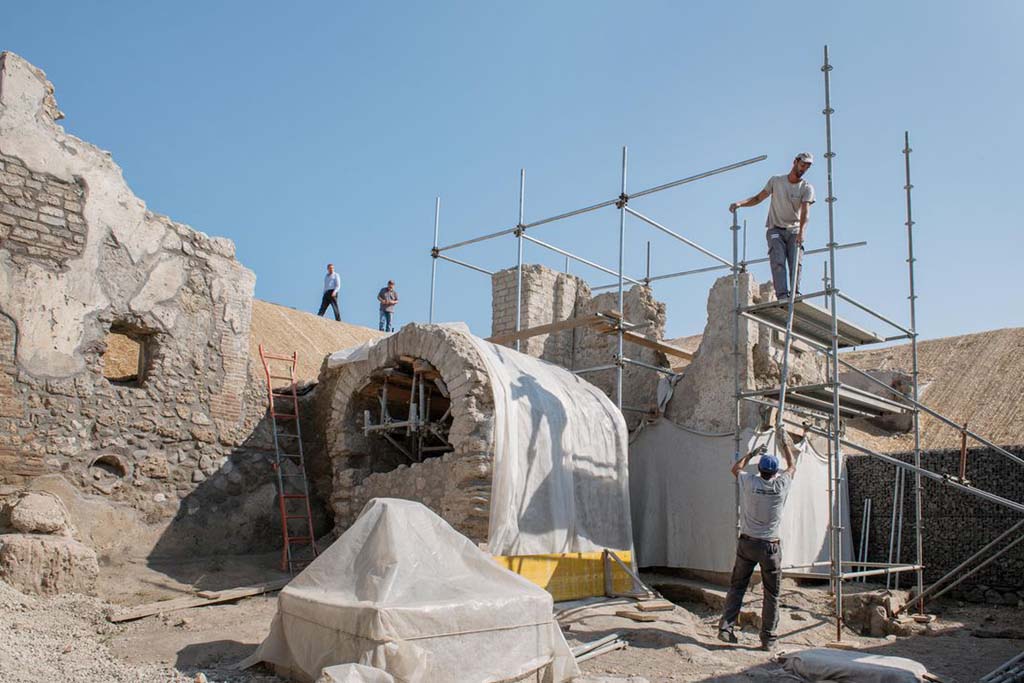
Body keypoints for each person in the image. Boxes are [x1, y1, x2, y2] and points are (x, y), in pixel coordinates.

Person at [718, 424, 808, 651]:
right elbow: (793, 466)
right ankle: (768, 639)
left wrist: (751, 454)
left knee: (737, 586)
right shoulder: (780, 485)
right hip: (770, 546)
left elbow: (735, 468)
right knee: (772, 594)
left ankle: (726, 629)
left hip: (747, 542)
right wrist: (785, 443)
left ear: (761, 470)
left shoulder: (750, 482)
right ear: (775, 472)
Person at [729, 153, 815, 301]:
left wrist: (802, 232)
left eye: (807, 167)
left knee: (795, 262)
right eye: (802, 165)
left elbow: (805, 213)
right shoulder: (776, 181)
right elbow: (758, 198)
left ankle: (795, 294)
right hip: (776, 229)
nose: (803, 169)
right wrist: (740, 204)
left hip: (794, 230)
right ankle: (782, 295)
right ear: (795, 162)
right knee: (778, 260)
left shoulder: (806, 188)